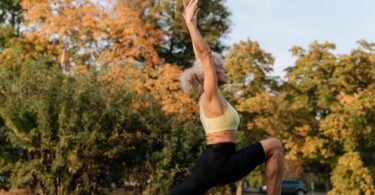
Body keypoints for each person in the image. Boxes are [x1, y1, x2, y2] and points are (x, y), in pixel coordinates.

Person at [171, 0, 284, 194]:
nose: (224, 69)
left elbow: (201, 56)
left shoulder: (213, 94)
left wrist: (194, 27)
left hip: (221, 160)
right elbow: (205, 55)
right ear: (210, 74)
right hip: (217, 161)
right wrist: (190, 24)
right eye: (220, 67)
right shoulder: (209, 94)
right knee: (274, 145)